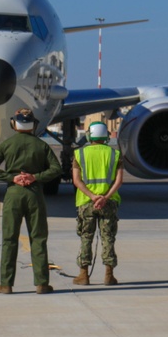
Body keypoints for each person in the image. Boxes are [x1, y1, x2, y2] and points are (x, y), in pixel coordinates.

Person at [0, 108, 62, 294]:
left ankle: (6, 284)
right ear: (33, 125)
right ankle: (42, 283)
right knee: (38, 238)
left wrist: (12, 178)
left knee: (9, 239)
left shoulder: (7, 144)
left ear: (14, 124)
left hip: (14, 194)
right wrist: (35, 177)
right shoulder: (41, 145)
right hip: (34, 194)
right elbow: (56, 169)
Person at [70, 121, 124, 286]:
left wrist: (93, 196)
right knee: (108, 237)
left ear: (89, 135)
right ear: (106, 136)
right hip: (108, 202)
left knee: (86, 237)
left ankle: (83, 275)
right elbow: (119, 181)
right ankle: (109, 275)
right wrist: (105, 197)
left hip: (86, 202)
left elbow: (76, 181)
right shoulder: (115, 154)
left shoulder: (79, 154)